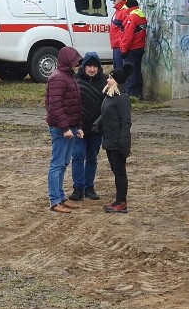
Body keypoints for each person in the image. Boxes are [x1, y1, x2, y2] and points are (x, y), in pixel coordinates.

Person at [45, 46, 83, 214]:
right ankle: (54, 200)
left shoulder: (68, 77)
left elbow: (75, 105)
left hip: (70, 127)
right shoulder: (58, 78)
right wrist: (65, 128)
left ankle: (61, 197)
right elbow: (55, 106)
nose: (77, 65)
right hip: (62, 129)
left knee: (63, 163)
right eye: (74, 61)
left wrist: (78, 126)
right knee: (57, 164)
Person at [92, 66, 133, 214]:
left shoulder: (122, 98)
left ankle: (121, 202)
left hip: (117, 142)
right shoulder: (111, 96)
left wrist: (123, 142)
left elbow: (126, 122)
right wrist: (98, 123)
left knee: (120, 172)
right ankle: (119, 200)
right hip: (109, 139)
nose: (107, 79)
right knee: (116, 171)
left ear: (117, 81)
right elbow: (106, 113)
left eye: (110, 77)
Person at [68, 52, 106, 201]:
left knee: (92, 157)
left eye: (95, 66)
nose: (92, 69)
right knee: (77, 156)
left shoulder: (106, 82)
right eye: (89, 66)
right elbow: (70, 105)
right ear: (83, 67)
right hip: (79, 128)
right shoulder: (75, 81)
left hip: (97, 129)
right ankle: (78, 188)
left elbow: (109, 106)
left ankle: (89, 187)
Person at [119, 0, 147, 100]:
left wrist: (124, 49)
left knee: (130, 71)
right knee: (137, 70)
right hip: (139, 47)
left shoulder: (132, 17)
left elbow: (128, 35)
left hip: (132, 48)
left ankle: (132, 94)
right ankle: (138, 93)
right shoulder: (141, 15)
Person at [109, 0, 129, 69]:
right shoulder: (118, 10)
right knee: (116, 66)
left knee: (119, 68)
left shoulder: (124, 11)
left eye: (114, 0)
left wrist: (123, 44)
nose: (113, 2)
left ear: (120, 0)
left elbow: (126, 30)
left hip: (119, 44)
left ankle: (121, 81)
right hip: (115, 43)